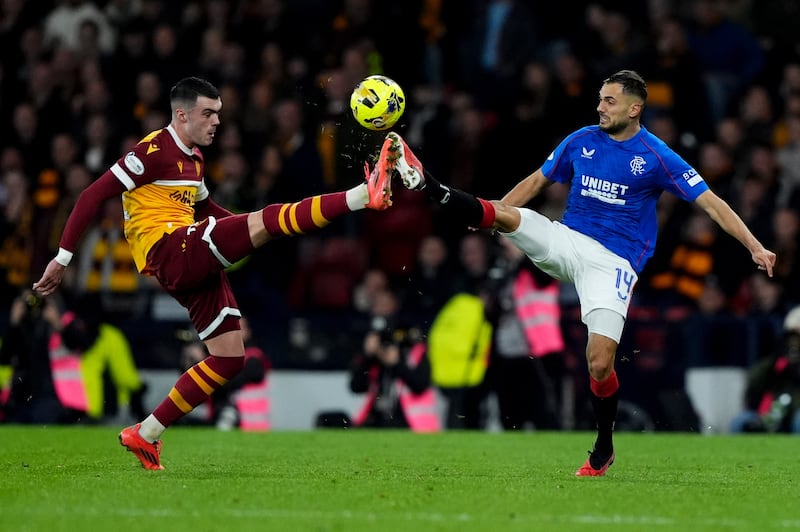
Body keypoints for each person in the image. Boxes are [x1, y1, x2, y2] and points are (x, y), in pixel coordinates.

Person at [383, 70, 776, 475]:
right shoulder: (581, 140)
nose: (600, 107)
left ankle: (603, 448)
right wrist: (495, 214)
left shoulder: (657, 156)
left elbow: (711, 203)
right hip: (566, 241)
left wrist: (754, 245)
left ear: (634, 108)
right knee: (506, 213)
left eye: (609, 101)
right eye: (600, 99)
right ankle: (428, 184)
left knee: (600, 363)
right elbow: (537, 180)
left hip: (613, 264)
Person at [32, 76, 396, 470]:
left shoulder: (194, 160)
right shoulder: (153, 150)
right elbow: (91, 195)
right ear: (182, 114)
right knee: (269, 218)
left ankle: (146, 433)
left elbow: (211, 215)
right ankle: (363, 194)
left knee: (229, 358)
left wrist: (253, 232)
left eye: (219, 114)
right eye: (208, 113)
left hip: (188, 256)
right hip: (170, 249)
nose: (216, 122)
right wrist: (63, 258)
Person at [349, 323, 440, 432]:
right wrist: (368, 356)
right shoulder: (375, 362)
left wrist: (397, 364)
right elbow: (356, 387)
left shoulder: (417, 354)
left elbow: (420, 386)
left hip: (409, 424)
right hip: (377, 422)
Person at [730, 305, 800, 434]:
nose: (795, 343)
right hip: (772, 412)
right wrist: (775, 361)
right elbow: (753, 383)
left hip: (795, 412)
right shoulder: (777, 362)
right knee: (739, 421)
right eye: (793, 338)